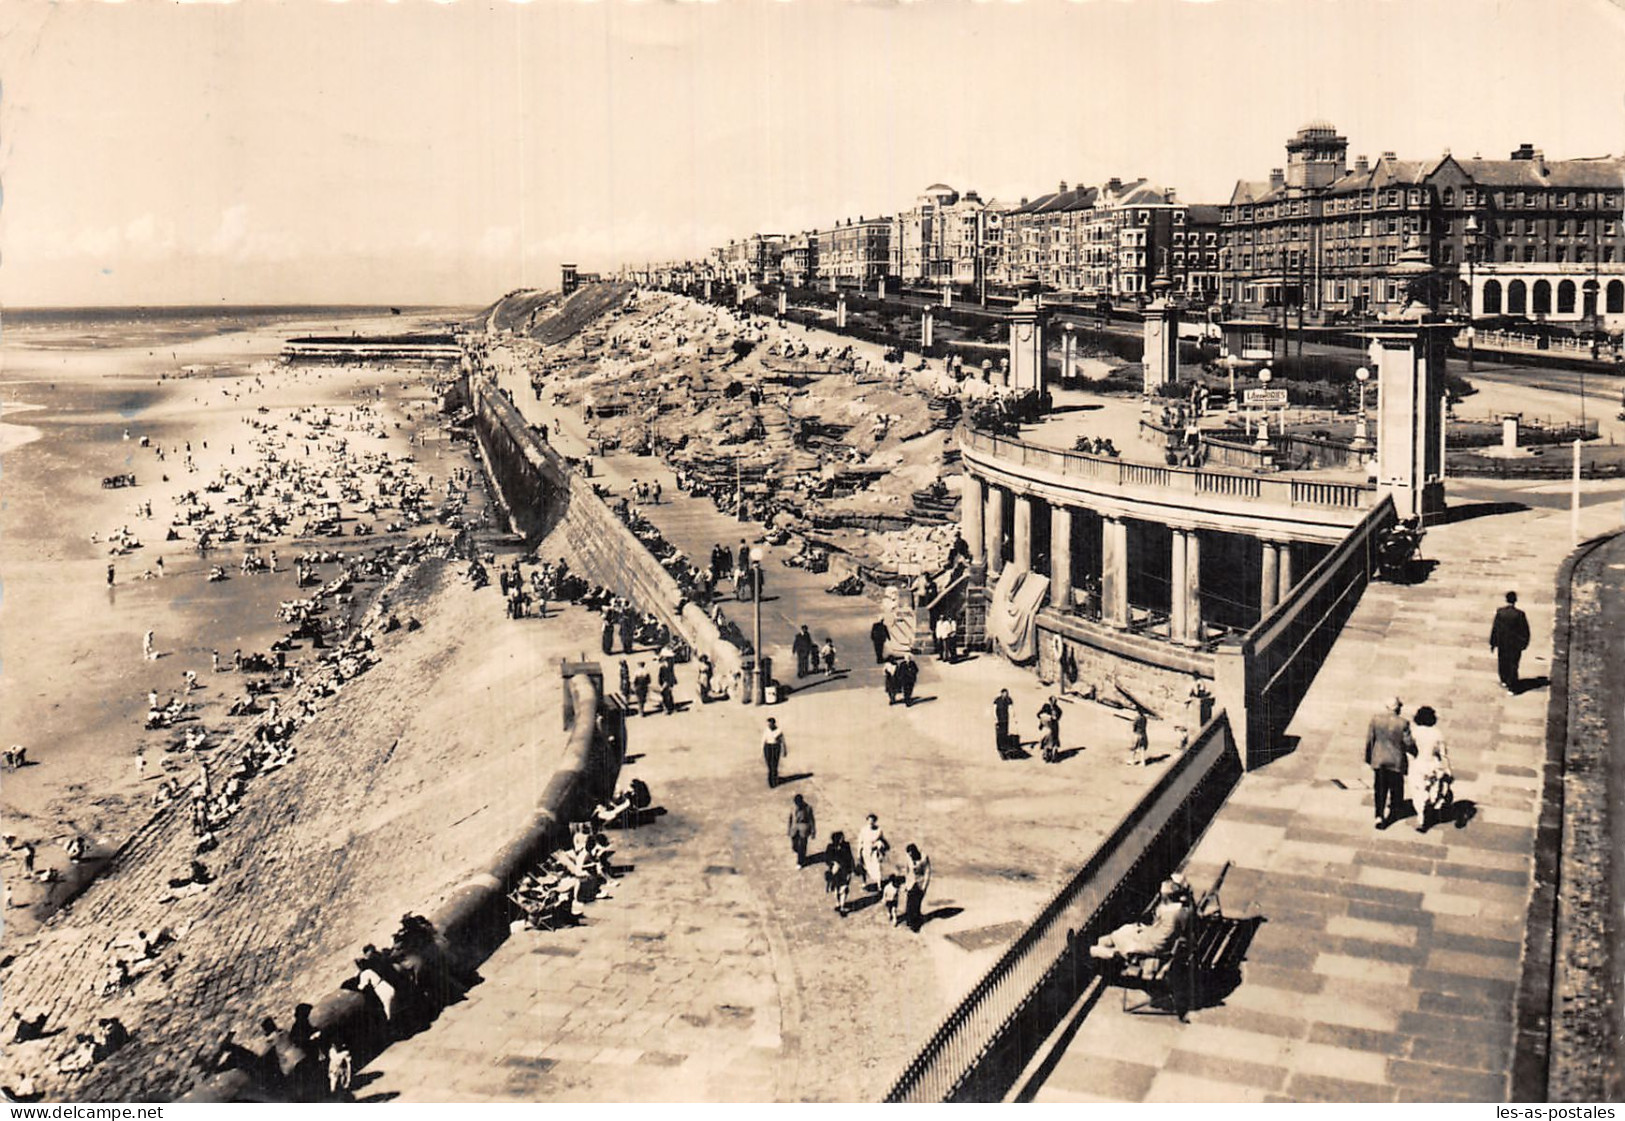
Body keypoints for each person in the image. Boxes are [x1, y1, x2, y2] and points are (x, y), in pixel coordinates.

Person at [1089, 876, 1193, 965]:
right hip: (1162, 942)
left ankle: (1102, 951)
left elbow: (1156, 921)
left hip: (1155, 944)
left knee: (1122, 934)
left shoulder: (1169, 912)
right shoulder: (1185, 908)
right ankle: (1104, 947)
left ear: (1167, 897)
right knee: (1127, 931)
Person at [1365, 696, 1416, 829]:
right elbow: (1408, 742)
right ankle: (1394, 812)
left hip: (1379, 758)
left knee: (1379, 788)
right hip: (1395, 760)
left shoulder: (1376, 719)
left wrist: (1369, 757)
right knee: (1396, 788)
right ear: (1397, 708)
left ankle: (1379, 815)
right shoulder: (1403, 723)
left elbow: (1370, 739)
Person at [1411, 706, 1454, 833]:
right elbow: (1443, 754)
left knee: (1418, 791)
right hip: (1433, 765)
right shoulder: (1437, 733)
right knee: (1433, 790)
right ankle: (1430, 809)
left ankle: (1421, 817)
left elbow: (1409, 748)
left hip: (1418, 764)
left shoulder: (1415, 731)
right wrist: (1447, 769)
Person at [1489, 591, 1531, 695]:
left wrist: (1493, 642)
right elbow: (1525, 630)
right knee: (1513, 664)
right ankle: (1512, 686)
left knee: (1503, 662)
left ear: (1506, 600)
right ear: (1515, 600)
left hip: (1502, 643)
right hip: (1514, 644)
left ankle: (1504, 679)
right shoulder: (1519, 614)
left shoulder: (1500, 612)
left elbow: (1495, 628)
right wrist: (1524, 643)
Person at [903, 843, 932, 933]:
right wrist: (906, 884)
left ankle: (915, 925)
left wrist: (924, 886)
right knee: (909, 903)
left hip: (920, 883)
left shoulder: (924, 858)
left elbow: (927, 872)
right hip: (911, 883)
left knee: (916, 904)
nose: (910, 856)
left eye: (911, 854)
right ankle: (909, 920)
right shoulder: (908, 857)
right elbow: (907, 870)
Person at [824, 831, 855, 915]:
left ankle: (842, 905)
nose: (843, 839)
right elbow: (827, 859)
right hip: (835, 872)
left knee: (844, 888)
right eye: (841, 838)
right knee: (836, 888)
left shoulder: (846, 845)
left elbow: (850, 858)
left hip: (845, 871)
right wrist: (834, 863)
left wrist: (852, 869)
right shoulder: (830, 847)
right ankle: (838, 903)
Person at [857, 814, 889, 891]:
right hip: (865, 852)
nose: (871, 822)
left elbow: (882, 840)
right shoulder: (863, 830)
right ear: (867, 821)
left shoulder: (879, 830)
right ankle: (864, 882)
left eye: (872, 821)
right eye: (869, 820)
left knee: (877, 868)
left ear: (875, 821)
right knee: (864, 868)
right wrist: (859, 853)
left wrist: (881, 849)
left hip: (874, 852)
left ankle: (879, 885)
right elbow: (860, 842)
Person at [787, 794, 816, 867]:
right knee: (795, 846)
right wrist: (789, 829)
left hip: (804, 828)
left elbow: (811, 820)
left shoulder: (808, 808)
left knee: (802, 845)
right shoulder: (792, 808)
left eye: (798, 802)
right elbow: (790, 818)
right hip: (794, 828)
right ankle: (800, 853)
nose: (797, 804)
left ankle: (800, 861)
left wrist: (813, 831)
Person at [761, 717, 787, 788]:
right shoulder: (766, 730)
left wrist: (784, 751)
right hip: (768, 747)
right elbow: (763, 740)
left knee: (774, 765)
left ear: (773, 724)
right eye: (768, 724)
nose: (769, 725)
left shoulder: (779, 731)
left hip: (775, 748)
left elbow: (782, 741)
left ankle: (774, 782)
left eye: (770, 724)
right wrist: (761, 751)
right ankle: (771, 781)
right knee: (769, 765)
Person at [1038, 698, 1062, 764]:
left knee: (1047, 743)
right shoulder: (1050, 711)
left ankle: (1047, 755)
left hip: (1048, 728)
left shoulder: (1055, 708)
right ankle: (1051, 755)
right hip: (1051, 728)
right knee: (1052, 742)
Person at [993, 689, 1013, 755]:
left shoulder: (1009, 700)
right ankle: (999, 747)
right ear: (1001, 693)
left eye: (1006, 694)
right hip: (999, 719)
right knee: (999, 733)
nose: (1006, 695)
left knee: (1005, 732)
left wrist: (1013, 718)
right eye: (1004, 693)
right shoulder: (997, 700)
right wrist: (995, 719)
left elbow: (1011, 709)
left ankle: (1004, 745)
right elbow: (994, 710)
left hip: (1005, 719)